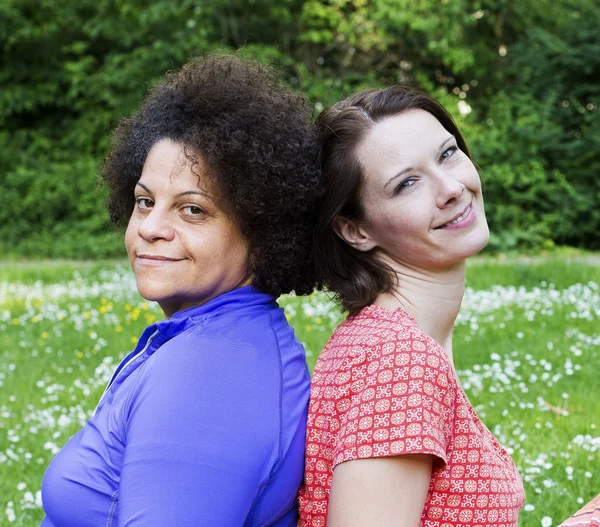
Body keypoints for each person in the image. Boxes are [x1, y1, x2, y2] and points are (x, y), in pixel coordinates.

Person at [40, 53, 322, 526]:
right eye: (144, 201)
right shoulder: (219, 337)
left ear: (262, 231)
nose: (150, 227)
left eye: (192, 210)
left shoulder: (213, 371)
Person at [298, 87, 525, 526]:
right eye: (407, 183)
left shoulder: (391, 339)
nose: (451, 188)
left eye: (447, 154)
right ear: (355, 229)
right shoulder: (398, 362)